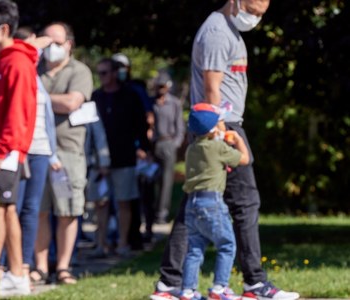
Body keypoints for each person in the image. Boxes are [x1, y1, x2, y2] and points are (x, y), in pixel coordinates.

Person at [150, 1, 300, 299]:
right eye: (253, 10)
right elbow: (211, 88)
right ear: (235, 1)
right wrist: (219, 134)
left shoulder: (229, 29)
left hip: (221, 124)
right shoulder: (218, 32)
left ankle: (170, 284)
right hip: (222, 125)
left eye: (261, 14)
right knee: (246, 203)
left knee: (195, 203)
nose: (256, 18)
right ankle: (254, 283)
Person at [0, 1, 38, 296]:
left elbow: (19, 111)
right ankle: (14, 273)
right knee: (7, 210)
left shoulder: (17, 62)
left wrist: (2, 150)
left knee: (0, 211)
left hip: (5, 151)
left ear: (3, 28)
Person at [35, 21, 93, 285]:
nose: (50, 47)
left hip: (68, 150)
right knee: (39, 211)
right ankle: (39, 267)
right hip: (37, 149)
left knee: (68, 211)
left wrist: (40, 98)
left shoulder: (79, 71)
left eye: (56, 42)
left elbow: (72, 102)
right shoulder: (33, 69)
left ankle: (63, 267)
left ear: (69, 44)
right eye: (45, 41)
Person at [180, 103, 250, 300]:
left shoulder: (192, 149)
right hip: (212, 203)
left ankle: (188, 290)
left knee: (194, 249)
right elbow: (245, 159)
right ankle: (220, 288)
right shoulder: (218, 148)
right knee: (227, 245)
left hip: (192, 204)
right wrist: (237, 139)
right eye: (221, 123)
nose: (224, 127)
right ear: (213, 128)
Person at [11, 27, 61, 286]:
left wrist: (52, 152)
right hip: (18, 149)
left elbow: (48, 120)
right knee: (12, 209)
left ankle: (25, 265)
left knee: (31, 210)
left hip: (40, 149)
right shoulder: (15, 68)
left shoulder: (37, 76)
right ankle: (8, 265)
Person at [91, 58, 149, 257]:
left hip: (124, 156)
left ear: (115, 73)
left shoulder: (130, 96)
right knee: (101, 202)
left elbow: (140, 124)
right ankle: (102, 243)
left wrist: (144, 148)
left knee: (124, 200)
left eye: (105, 72)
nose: (102, 77)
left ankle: (123, 242)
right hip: (99, 160)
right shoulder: (95, 97)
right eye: (99, 73)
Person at [150, 71, 185, 225]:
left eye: (163, 86)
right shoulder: (151, 102)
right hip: (153, 145)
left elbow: (180, 127)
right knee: (151, 180)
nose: (160, 89)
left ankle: (161, 214)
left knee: (166, 181)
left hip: (168, 143)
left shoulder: (175, 103)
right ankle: (149, 212)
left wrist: (175, 144)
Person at [84, 117, 111, 258]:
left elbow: (99, 137)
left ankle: (102, 243)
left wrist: (103, 162)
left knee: (101, 205)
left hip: (94, 167)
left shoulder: (89, 109)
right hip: (74, 164)